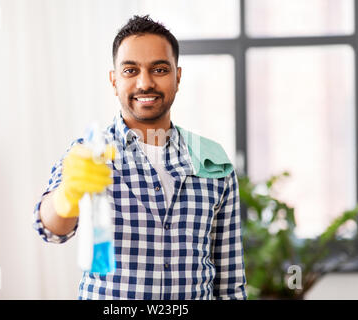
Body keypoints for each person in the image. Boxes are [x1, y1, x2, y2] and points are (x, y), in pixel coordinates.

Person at [33, 15, 247, 300]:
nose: (145, 83)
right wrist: (67, 196)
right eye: (130, 70)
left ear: (178, 76)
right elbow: (50, 228)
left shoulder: (212, 162)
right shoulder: (88, 154)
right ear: (114, 80)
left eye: (159, 69)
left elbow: (230, 283)